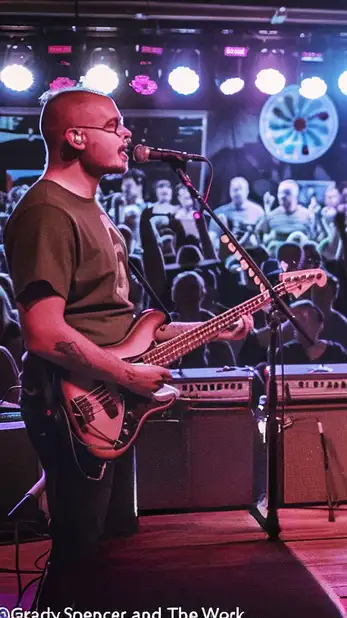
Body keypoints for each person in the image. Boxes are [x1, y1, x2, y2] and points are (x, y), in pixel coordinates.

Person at [4, 87, 251, 610]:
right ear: (75, 137)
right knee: (78, 549)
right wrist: (125, 375)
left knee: (112, 541)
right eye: (113, 125)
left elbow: (124, 329)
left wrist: (209, 329)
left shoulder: (94, 211)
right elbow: (43, 332)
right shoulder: (47, 211)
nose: (127, 134)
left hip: (107, 396)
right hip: (71, 401)